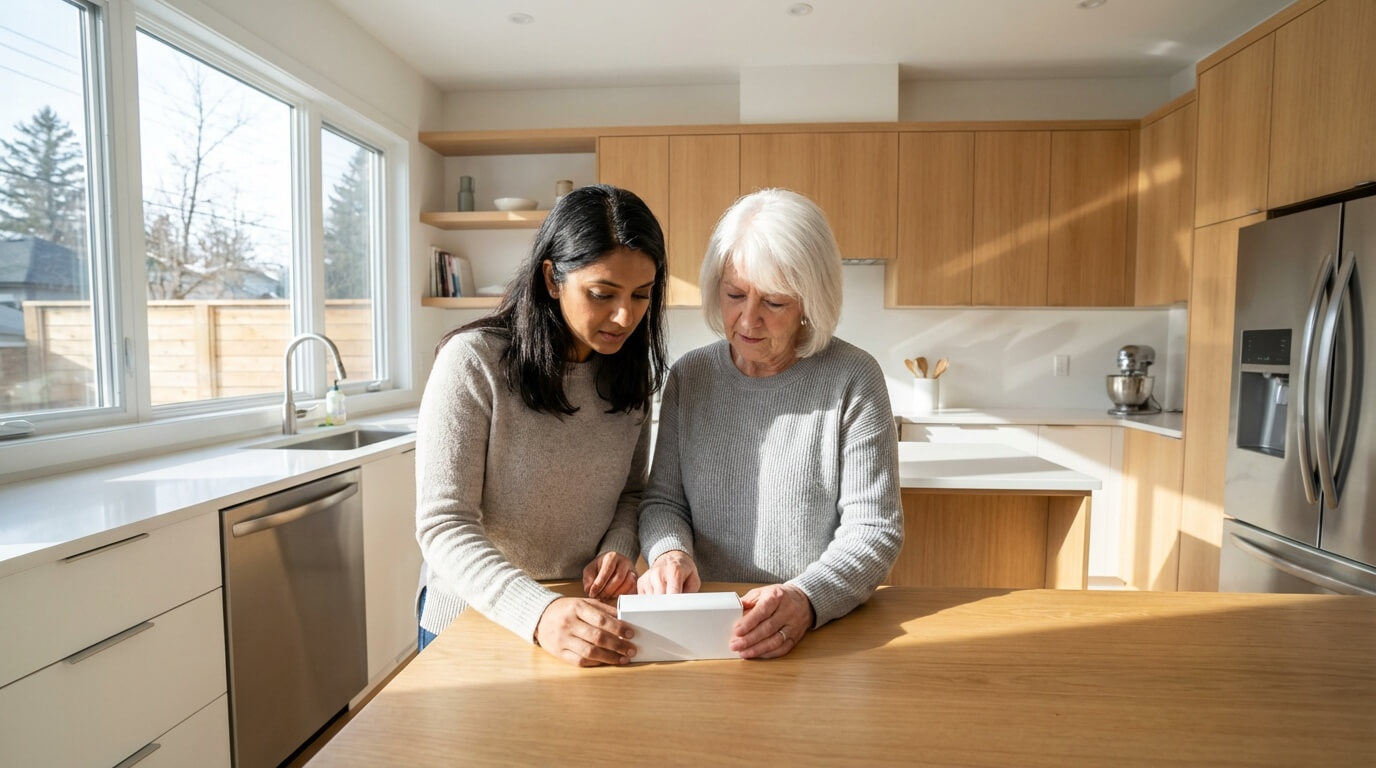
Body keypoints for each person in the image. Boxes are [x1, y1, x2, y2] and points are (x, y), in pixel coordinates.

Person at [638, 188, 903, 660]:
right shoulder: (689, 377)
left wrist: (806, 598)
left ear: (809, 302)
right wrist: (669, 553)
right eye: (735, 295)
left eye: (775, 303)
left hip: (817, 632)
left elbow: (873, 529)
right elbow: (663, 500)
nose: (748, 319)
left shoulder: (853, 378)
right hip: (709, 629)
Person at [416, 184, 667, 667]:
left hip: (580, 618)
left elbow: (631, 495)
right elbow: (443, 524)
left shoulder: (630, 375)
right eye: (602, 293)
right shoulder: (473, 362)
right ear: (552, 278)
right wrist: (540, 611)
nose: (625, 316)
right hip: (473, 618)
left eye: (642, 296)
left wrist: (618, 550)